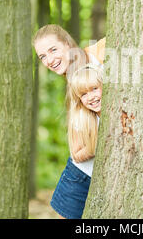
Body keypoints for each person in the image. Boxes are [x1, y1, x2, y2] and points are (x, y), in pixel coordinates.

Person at [50, 64, 103, 219]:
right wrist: (99, 145)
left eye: (94, 89)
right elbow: (77, 155)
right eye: (84, 94)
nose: (91, 97)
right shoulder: (81, 119)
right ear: (79, 99)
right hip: (77, 180)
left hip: (101, 181)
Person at [33, 24, 105, 78]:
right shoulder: (75, 82)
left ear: (67, 44)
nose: (49, 60)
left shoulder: (101, 49)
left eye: (53, 50)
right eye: (43, 57)